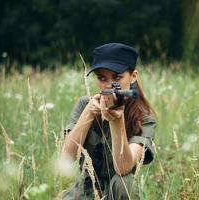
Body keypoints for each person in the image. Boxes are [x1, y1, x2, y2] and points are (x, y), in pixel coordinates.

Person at [62, 43, 156, 200]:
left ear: (133, 76)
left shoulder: (144, 118)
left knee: (124, 182)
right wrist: (90, 112)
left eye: (117, 78)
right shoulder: (85, 105)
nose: (109, 85)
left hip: (118, 191)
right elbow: (67, 157)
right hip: (86, 189)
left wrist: (117, 119)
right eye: (101, 78)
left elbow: (123, 168)